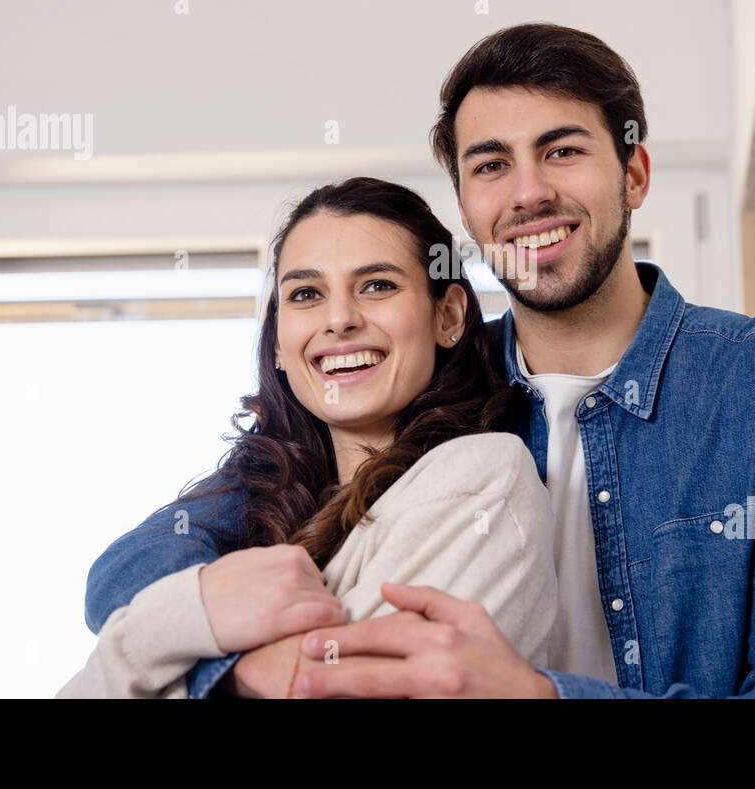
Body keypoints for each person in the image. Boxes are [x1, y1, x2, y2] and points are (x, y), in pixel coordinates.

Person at [86, 22, 755, 699]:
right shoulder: (430, 388)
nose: (528, 193)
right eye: (492, 164)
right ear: (465, 205)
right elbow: (136, 567)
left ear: (633, 173)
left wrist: (538, 696)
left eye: (562, 151)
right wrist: (238, 662)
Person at [57, 178, 557, 697]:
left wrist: (156, 648)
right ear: (277, 340)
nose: (339, 319)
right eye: (306, 294)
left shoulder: (483, 475)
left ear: (448, 316)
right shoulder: (245, 514)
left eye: (377, 285)